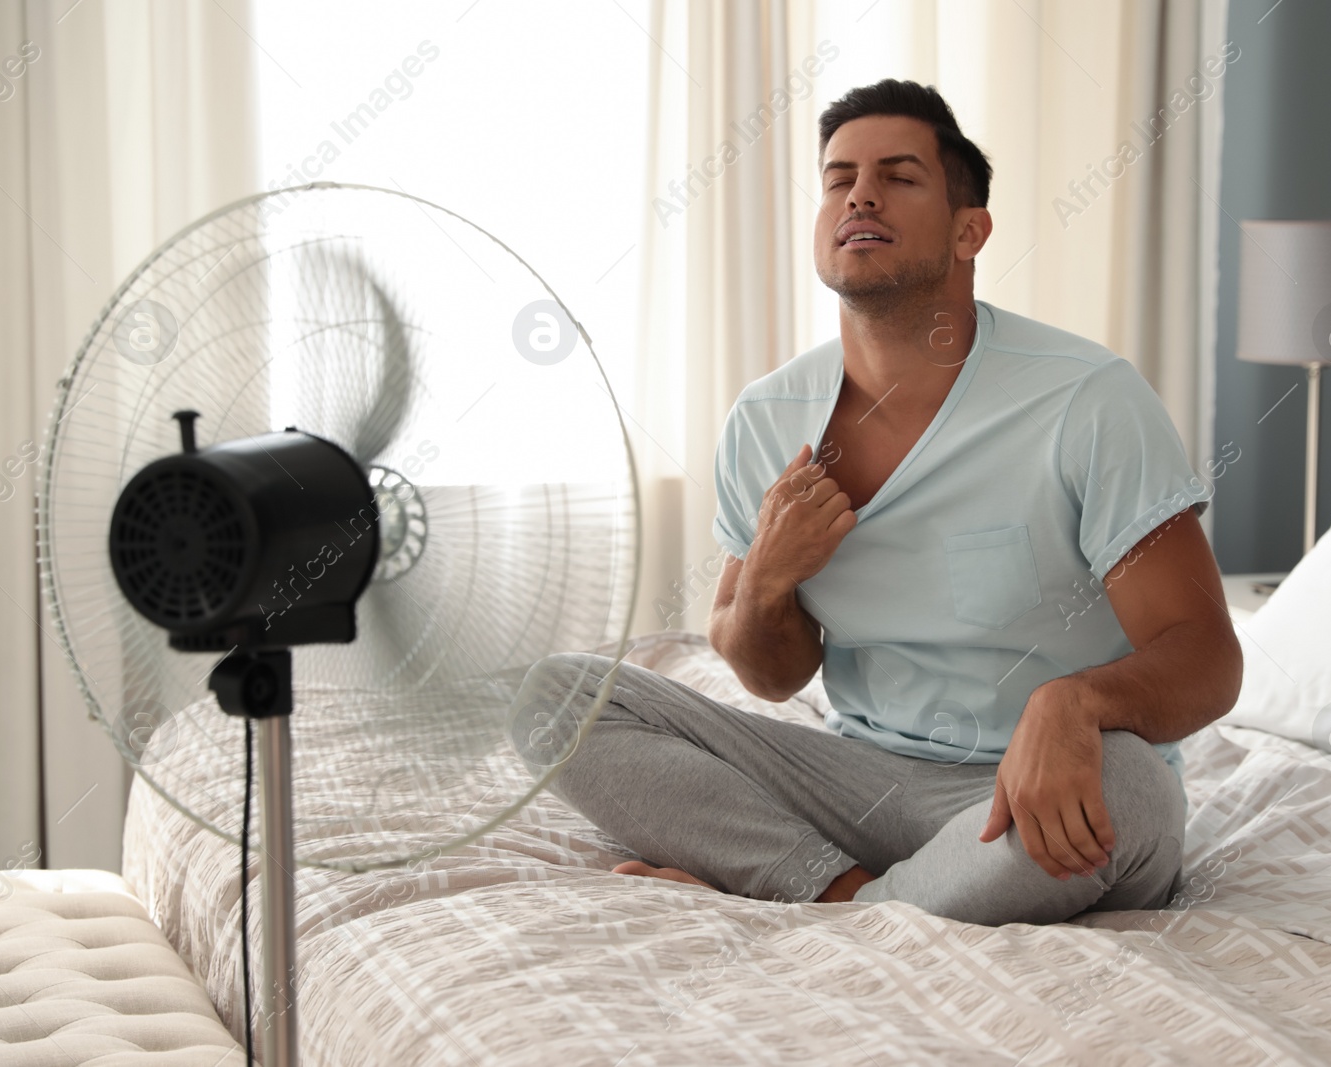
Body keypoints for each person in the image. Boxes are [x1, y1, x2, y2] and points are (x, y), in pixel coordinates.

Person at [508, 78, 1242, 927]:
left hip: (1044, 787)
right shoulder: (767, 419)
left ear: (971, 230)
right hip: (859, 782)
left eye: (899, 175)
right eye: (838, 177)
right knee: (556, 697)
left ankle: (812, 893)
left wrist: (1072, 703)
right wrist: (767, 582)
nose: (859, 192)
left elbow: (1207, 658)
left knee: (1138, 792)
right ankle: (848, 896)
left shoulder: (1087, 400)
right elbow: (772, 674)